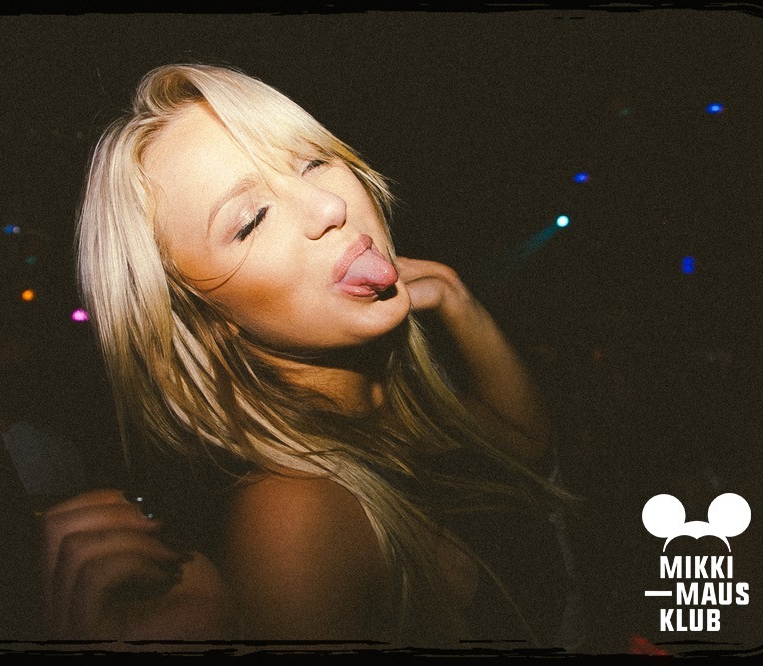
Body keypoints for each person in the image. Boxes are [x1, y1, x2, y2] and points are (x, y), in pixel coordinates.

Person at [53, 63, 568, 646]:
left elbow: (520, 445)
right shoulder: (292, 519)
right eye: (251, 220)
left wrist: (456, 298)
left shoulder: (380, 406)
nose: (328, 206)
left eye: (312, 161)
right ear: (206, 320)